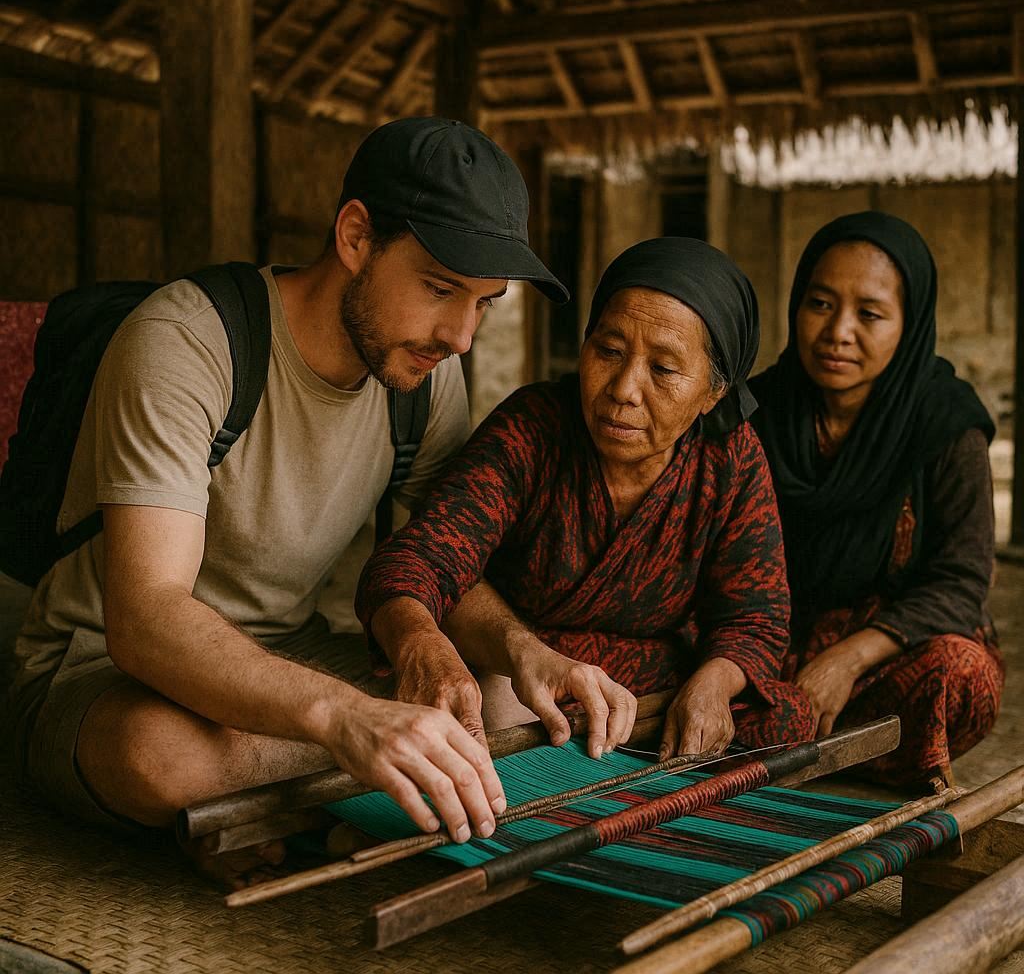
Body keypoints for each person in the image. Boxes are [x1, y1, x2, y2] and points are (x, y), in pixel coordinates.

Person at [7, 116, 623, 883]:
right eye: (440, 288)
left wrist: (528, 651)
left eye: (484, 304)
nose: (461, 336)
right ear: (357, 237)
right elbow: (146, 620)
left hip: (289, 660)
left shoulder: (425, 378)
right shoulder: (188, 342)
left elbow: (442, 564)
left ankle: (265, 808)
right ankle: (318, 800)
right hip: (110, 674)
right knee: (156, 756)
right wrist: (348, 719)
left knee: (505, 702)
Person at [356, 237, 816, 763]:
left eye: (663, 369)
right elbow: (415, 561)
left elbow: (755, 618)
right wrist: (458, 647)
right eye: (609, 351)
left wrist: (712, 685)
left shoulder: (729, 458)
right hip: (524, 673)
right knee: (494, 710)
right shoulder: (535, 429)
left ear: (714, 392)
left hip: (647, 680)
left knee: (784, 716)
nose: (624, 388)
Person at [749, 210, 1003, 787]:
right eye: (820, 303)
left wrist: (848, 659)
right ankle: (812, 746)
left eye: (869, 314)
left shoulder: (946, 425)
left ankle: (807, 747)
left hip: (887, 655)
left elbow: (961, 583)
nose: (838, 331)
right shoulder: (757, 414)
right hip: (771, 648)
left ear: (908, 325)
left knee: (962, 674)